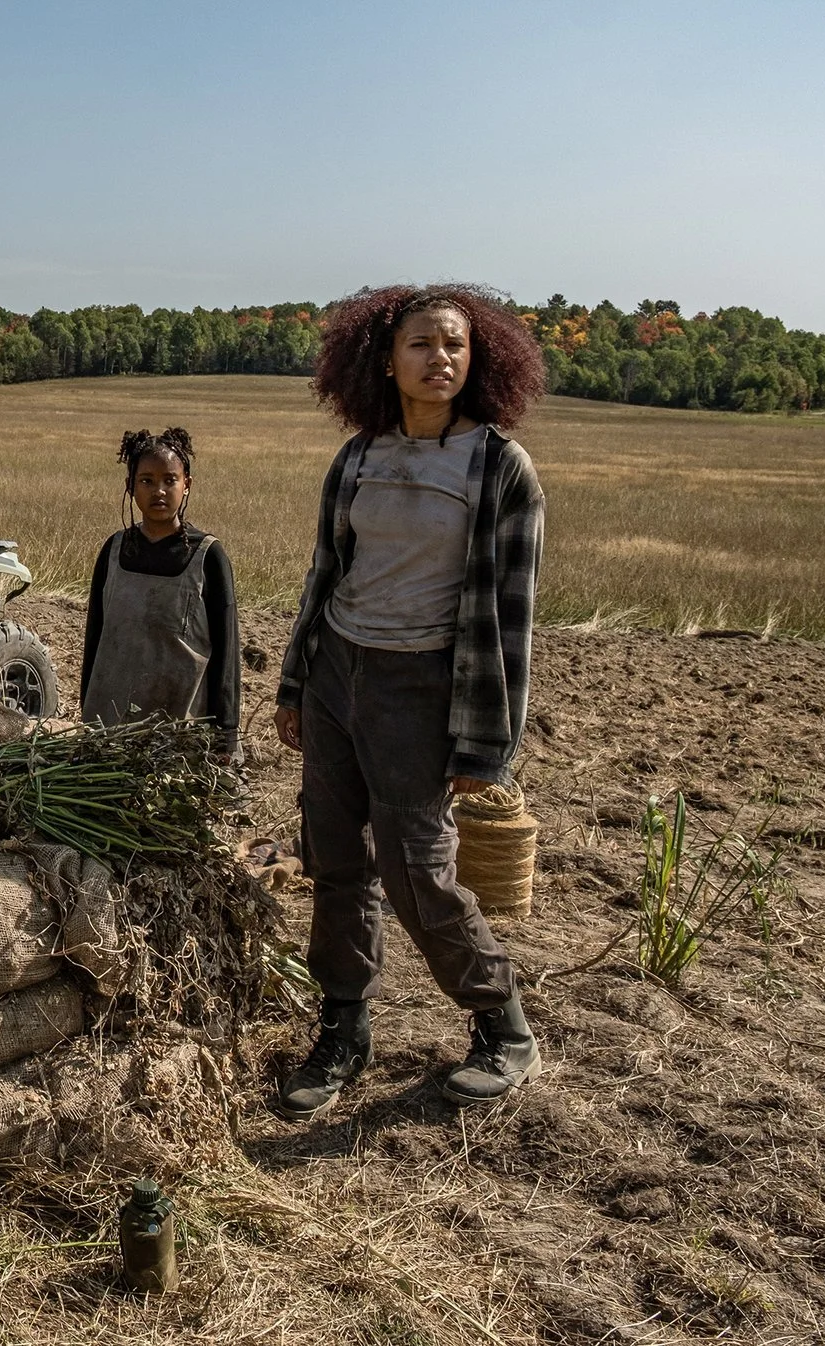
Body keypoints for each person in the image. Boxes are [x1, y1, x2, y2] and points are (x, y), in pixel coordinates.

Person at [271, 284, 548, 1117]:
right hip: (338, 674)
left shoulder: (499, 467)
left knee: (416, 870)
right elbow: (325, 575)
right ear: (385, 361)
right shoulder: (359, 457)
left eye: (455, 345)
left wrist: (488, 745)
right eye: (421, 344)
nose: (440, 359)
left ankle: (503, 1026)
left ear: (478, 359)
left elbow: (511, 617)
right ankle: (343, 1031)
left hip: (422, 687)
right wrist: (296, 683)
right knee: (334, 862)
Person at [78, 427, 241, 757]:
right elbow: (95, 637)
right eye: (147, 481)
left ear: (187, 485)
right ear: (130, 485)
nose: (159, 491)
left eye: (170, 480)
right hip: (109, 728)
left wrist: (226, 733)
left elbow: (227, 651)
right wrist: (87, 712)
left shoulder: (207, 556)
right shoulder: (114, 551)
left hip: (179, 735)